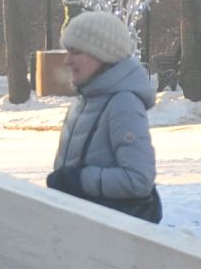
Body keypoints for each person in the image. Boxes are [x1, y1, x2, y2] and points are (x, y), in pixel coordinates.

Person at [44, 11, 161, 222]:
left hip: (109, 236)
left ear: (102, 55)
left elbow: (139, 180)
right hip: (82, 227)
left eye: (76, 52)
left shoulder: (123, 103)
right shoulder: (84, 100)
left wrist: (79, 179)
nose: (67, 60)